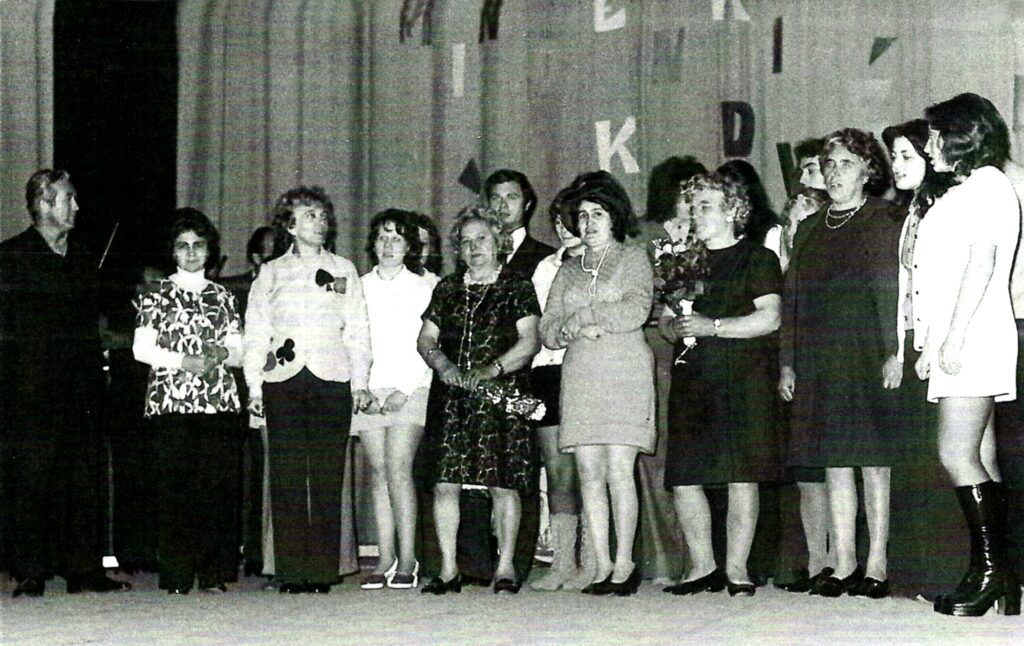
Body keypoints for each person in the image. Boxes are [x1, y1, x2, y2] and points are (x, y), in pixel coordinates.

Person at [779, 129, 902, 599]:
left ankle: (877, 564)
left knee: (873, 460)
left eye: (846, 163)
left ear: (868, 171)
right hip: (818, 358)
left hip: (866, 353)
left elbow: (890, 292)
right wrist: (788, 363)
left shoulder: (882, 219)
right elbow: (792, 299)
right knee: (834, 461)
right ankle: (844, 561)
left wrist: (894, 352)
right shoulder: (810, 227)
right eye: (829, 164)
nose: (834, 173)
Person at [913, 94, 1021, 617]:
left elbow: (982, 264)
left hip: (974, 334)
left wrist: (953, 339)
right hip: (966, 332)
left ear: (960, 137)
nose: (929, 146)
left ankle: (991, 574)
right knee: (981, 453)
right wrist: (932, 340)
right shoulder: (970, 188)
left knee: (955, 453)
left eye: (935, 136)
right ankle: (1000, 575)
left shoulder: (987, 186)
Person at [0, 169, 131, 598]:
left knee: (83, 479)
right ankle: (29, 570)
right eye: (68, 198)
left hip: (82, 389)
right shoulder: (11, 257)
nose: (76, 206)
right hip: (30, 390)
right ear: (44, 203)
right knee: (31, 479)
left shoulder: (83, 258)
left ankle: (84, 569)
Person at [243, 185, 372, 594]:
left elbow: (357, 331)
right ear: (290, 225)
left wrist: (360, 382)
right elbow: (256, 333)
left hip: (331, 379)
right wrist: (254, 387)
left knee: (327, 478)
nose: (320, 222)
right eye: (310, 215)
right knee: (287, 478)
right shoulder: (270, 273)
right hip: (282, 380)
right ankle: (291, 571)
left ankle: (320, 571)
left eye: (322, 215)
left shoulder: (344, 269)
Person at [660, 173, 783, 597]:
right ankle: (701, 567)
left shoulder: (757, 258)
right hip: (692, 378)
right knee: (685, 474)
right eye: (693, 207)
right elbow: (666, 319)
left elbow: (770, 317)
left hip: (742, 379)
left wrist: (712, 326)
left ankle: (736, 569)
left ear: (733, 211)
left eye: (706, 206)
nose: (696, 214)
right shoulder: (682, 261)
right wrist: (673, 327)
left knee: (741, 474)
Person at [539, 170, 655, 597]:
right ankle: (601, 563)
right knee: (588, 472)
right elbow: (547, 329)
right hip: (581, 373)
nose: (588, 224)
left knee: (619, 469)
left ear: (615, 217)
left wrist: (584, 317)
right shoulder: (567, 270)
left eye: (598, 214)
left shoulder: (632, 257)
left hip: (624, 368)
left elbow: (636, 309)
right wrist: (567, 330)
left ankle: (625, 563)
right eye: (583, 216)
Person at [416, 207, 541, 595]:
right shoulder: (447, 288)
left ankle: (505, 568)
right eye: (465, 241)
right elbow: (425, 339)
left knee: (503, 484)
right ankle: (448, 569)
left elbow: (530, 341)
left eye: (481, 239)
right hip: (452, 398)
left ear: (499, 241)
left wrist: (493, 369)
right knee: (445, 483)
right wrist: (443, 365)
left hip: (501, 397)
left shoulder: (517, 286)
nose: (473, 248)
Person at [132, 208, 243, 594]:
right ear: (173, 251)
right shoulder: (156, 293)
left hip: (216, 401)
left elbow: (239, 350)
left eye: (198, 245)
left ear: (209, 250)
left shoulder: (223, 296)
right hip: (171, 402)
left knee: (214, 488)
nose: (192, 252)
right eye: (183, 245)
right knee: (175, 490)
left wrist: (222, 353)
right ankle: (177, 574)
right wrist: (184, 361)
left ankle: (213, 572)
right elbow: (141, 349)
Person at [880, 119, 967, 600]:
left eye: (907, 155)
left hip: (940, 343)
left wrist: (932, 345)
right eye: (893, 157)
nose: (897, 165)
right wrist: (900, 347)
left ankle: (952, 573)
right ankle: (918, 573)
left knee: (942, 457)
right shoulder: (912, 212)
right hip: (913, 341)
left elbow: (946, 285)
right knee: (914, 458)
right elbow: (905, 290)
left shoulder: (946, 208)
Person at [351, 209, 436, 590]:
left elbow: (427, 345)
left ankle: (408, 557)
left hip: (411, 388)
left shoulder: (424, 287)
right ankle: (384, 557)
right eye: (382, 237)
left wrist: (404, 389)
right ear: (373, 244)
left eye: (397, 239)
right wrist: (361, 387)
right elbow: (354, 341)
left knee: (399, 468)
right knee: (378, 472)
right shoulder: (359, 286)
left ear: (409, 246)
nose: (388, 246)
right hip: (370, 389)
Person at [634, 155, 707, 584]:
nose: (690, 201)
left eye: (696, 193)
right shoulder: (646, 236)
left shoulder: (710, 231)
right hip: (658, 349)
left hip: (706, 347)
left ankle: (704, 559)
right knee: (657, 453)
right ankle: (663, 559)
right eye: (683, 193)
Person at [529, 188, 586, 591]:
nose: (564, 229)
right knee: (556, 469)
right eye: (558, 221)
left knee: (591, 469)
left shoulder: (605, 262)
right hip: (547, 370)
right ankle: (563, 561)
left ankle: (594, 558)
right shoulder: (545, 267)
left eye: (572, 220)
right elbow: (538, 323)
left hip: (587, 369)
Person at [219, 225, 277, 577]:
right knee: (230, 472)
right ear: (255, 256)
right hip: (231, 387)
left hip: (266, 385)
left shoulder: (284, 285)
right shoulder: (232, 288)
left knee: (262, 471)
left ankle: (258, 552)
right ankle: (228, 552)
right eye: (268, 251)